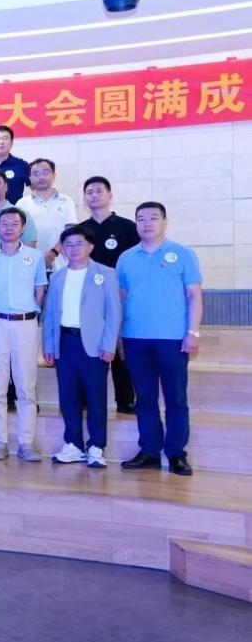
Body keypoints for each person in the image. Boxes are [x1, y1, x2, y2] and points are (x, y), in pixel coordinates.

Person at [117, 202, 203, 476]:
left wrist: (193, 333)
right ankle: (150, 451)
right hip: (135, 338)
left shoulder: (183, 254)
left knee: (176, 397)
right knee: (145, 398)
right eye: (141, 219)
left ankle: (176, 453)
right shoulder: (126, 258)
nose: (147, 223)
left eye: (153, 218)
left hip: (173, 339)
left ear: (165, 222)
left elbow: (194, 296)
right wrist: (118, 337)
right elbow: (120, 299)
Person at [42, 225, 122, 469]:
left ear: (90, 246)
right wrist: (49, 344)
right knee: (68, 397)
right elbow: (50, 314)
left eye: (79, 244)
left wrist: (109, 344)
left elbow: (114, 313)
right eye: (68, 244)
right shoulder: (57, 277)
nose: (73, 249)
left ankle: (96, 446)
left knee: (96, 397)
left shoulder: (106, 273)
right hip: (65, 342)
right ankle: (73, 444)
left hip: (94, 345)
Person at [0, 207, 47, 461]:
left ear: (23, 227)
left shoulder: (35, 257)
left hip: (26, 324)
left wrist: (32, 314)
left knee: (26, 386)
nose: (9, 227)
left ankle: (26, 443)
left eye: (14, 223)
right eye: (4, 223)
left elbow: (40, 291)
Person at [82, 176, 140, 414]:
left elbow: (135, 263)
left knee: (120, 350)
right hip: (90, 300)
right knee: (89, 348)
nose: (94, 195)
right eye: (89, 192)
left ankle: (125, 400)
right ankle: (86, 399)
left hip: (120, 296)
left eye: (99, 191)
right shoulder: (81, 230)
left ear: (109, 195)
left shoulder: (127, 227)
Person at [17, 158, 78, 271]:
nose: (41, 177)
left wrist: (52, 254)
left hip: (61, 266)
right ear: (30, 178)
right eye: (36, 174)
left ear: (54, 175)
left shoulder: (67, 201)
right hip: (29, 266)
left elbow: (71, 232)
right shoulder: (22, 204)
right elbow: (17, 236)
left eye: (45, 172)